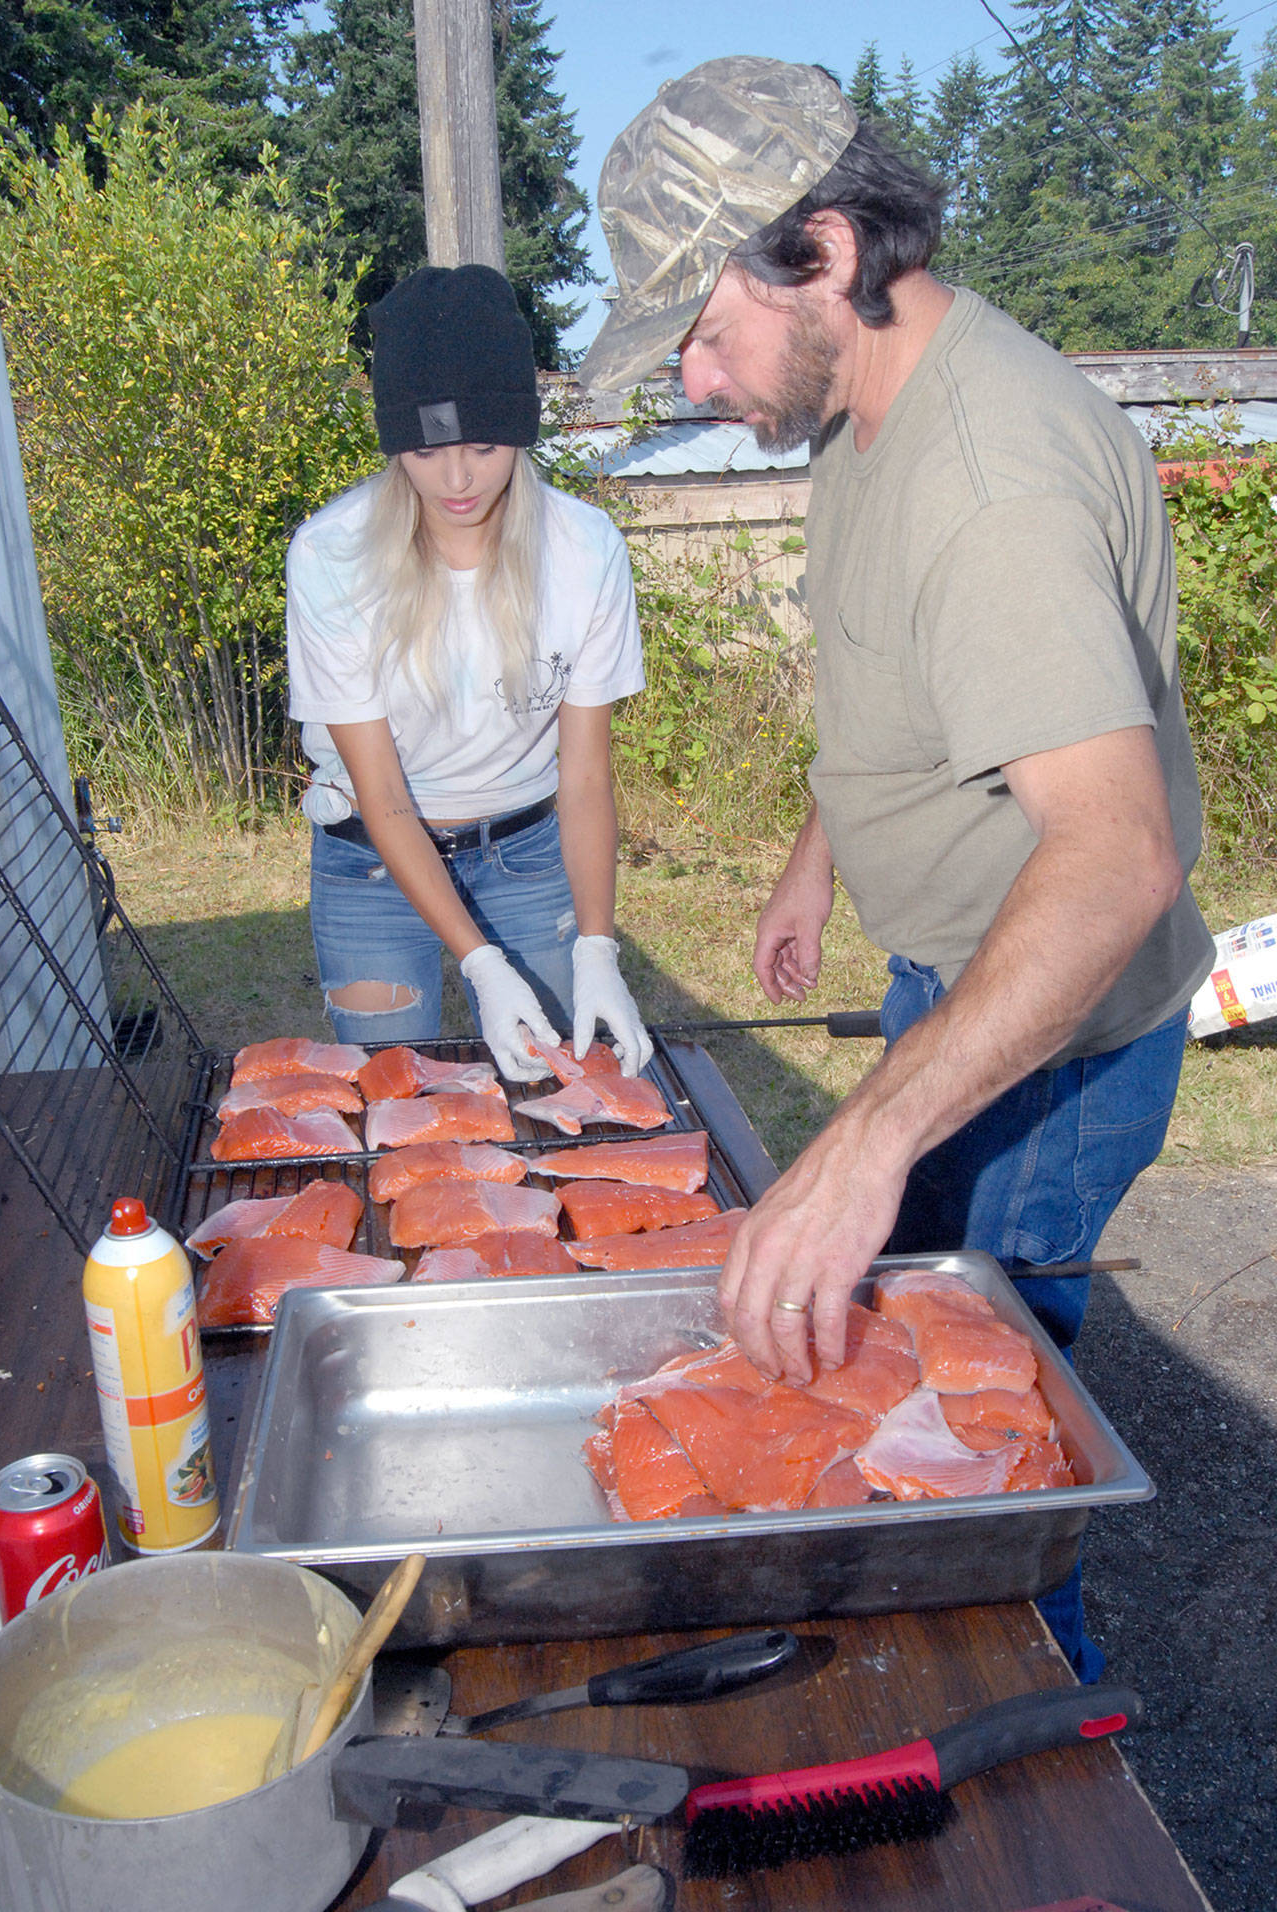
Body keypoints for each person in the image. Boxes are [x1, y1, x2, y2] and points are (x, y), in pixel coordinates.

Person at [580, 56, 1216, 1677]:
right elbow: (904, 694)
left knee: (980, 1452)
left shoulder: (990, 482)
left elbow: (1116, 856)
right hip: (958, 976)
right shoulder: (866, 417)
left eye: (701, 331)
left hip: (1060, 1039)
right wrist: (822, 851)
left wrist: (864, 1139)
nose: (696, 380)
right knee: (889, 1374)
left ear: (829, 252)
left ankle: (1044, 1748)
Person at [287, 263, 651, 1082]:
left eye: (484, 447)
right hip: (370, 860)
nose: (456, 481)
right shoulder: (331, 557)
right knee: (392, 1089)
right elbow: (383, 794)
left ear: (519, 433)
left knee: (569, 1087)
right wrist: (482, 966)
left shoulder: (584, 550)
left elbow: (585, 777)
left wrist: (597, 948)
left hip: (526, 852)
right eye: (425, 450)